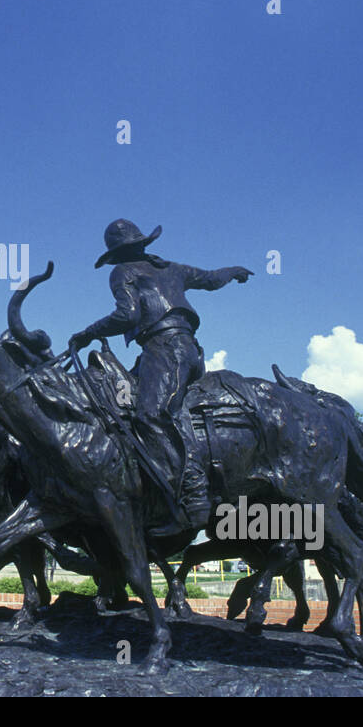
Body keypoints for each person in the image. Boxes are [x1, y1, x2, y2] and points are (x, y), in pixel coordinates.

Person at [69, 219, 252, 529]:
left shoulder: (122, 272)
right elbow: (209, 279)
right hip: (187, 349)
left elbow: (128, 315)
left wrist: (88, 333)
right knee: (126, 400)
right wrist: (232, 271)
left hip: (164, 350)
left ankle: (192, 492)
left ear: (116, 253)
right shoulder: (172, 269)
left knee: (152, 414)